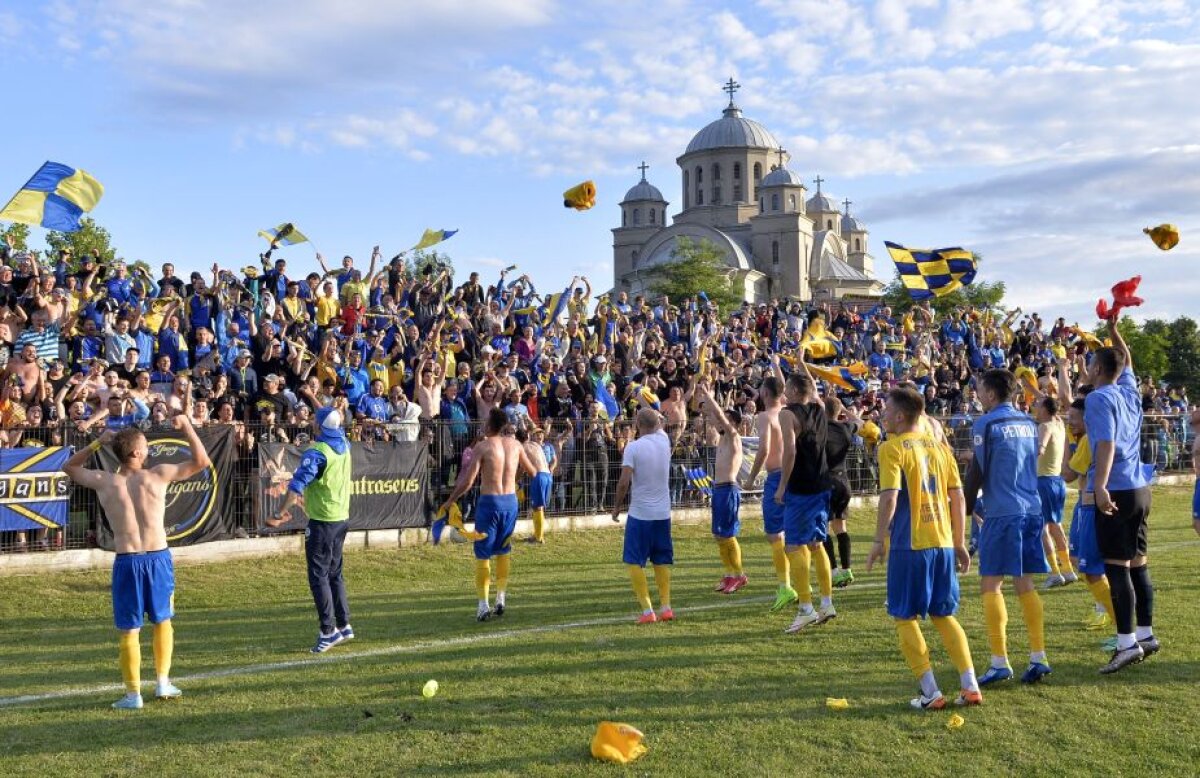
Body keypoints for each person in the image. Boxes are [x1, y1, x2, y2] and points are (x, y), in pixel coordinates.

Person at [63, 415, 210, 709]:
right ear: (137, 453)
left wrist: (97, 442)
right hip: (157, 559)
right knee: (162, 621)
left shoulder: (106, 481)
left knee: (130, 629)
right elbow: (202, 461)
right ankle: (162, 683)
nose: (150, 450)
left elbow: (70, 467)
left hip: (128, 561)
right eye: (146, 446)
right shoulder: (157, 475)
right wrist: (188, 428)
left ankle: (133, 695)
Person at [866, 387, 981, 710]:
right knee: (944, 615)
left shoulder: (892, 448)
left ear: (900, 416)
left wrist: (878, 541)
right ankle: (970, 684)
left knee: (904, 616)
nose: (883, 415)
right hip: (942, 543)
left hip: (909, 543)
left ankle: (931, 692)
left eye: (886, 410)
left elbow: (889, 496)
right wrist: (959, 542)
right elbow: (958, 498)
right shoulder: (942, 449)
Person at [963, 369, 1051, 686]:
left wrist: (964, 510)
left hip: (1002, 512)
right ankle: (1038, 656)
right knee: (1024, 584)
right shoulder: (1029, 423)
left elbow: (975, 473)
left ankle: (999, 661)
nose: (977, 394)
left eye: (979, 389)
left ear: (990, 394)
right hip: (1031, 509)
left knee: (991, 585)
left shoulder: (986, 423)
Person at [1085, 323, 1157, 673]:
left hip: (1117, 488)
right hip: (1140, 488)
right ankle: (1146, 633)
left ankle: (1127, 643)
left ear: (1098, 369)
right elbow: (1125, 358)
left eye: (1089, 363)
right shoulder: (1129, 391)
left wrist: (1099, 487)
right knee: (1139, 564)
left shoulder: (1098, 398)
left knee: (1117, 567)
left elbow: (1106, 444)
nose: (1086, 367)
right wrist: (1113, 329)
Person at [265, 400, 355, 653]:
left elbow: (296, 486)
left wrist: (280, 512)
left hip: (323, 521)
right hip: (341, 518)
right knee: (335, 572)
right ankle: (344, 623)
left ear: (318, 425)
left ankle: (328, 631)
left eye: (316, 419)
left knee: (318, 576)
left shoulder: (317, 452)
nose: (312, 421)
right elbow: (331, 420)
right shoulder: (344, 444)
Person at [438, 408, 536, 621]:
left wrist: (450, 500)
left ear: (490, 424)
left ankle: (483, 605)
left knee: (483, 553)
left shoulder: (482, 446)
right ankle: (501, 597)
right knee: (504, 549)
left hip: (489, 503)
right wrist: (513, 482)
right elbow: (533, 472)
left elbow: (468, 481)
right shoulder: (516, 445)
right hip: (510, 503)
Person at [776, 367, 836, 634]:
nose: (783, 391)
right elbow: (813, 389)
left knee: (793, 546)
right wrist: (802, 365)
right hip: (822, 484)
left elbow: (789, 451)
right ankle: (826, 602)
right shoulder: (820, 410)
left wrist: (781, 486)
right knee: (817, 543)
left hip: (801, 487)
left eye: (786, 387)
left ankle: (805, 608)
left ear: (792, 392)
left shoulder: (787, 414)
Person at [742, 362, 798, 611]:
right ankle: (798, 583)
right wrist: (776, 366)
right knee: (794, 533)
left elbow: (764, 448)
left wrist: (752, 477)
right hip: (794, 474)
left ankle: (786, 586)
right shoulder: (788, 411)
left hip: (776, 476)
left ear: (764, 394)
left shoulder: (765, 417)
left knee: (775, 534)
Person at [611, 408, 674, 624]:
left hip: (641, 514)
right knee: (661, 560)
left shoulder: (633, 447)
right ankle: (666, 607)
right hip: (663, 513)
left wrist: (617, 507)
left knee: (633, 561)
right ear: (658, 424)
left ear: (637, 425)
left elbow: (623, 482)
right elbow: (661, 422)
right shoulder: (664, 440)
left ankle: (648, 611)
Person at [698, 384, 745, 594]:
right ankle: (728, 574)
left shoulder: (734, 436)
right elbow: (711, 414)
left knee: (727, 534)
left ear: (733, 421)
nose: (721, 421)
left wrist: (709, 395)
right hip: (718, 490)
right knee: (719, 536)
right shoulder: (723, 439)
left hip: (728, 489)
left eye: (726, 418)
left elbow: (718, 414)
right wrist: (703, 397)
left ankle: (739, 574)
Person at [1035, 397, 1075, 588]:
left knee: (1043, 529)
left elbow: (1040, 449)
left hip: (1043, 481)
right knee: (1056, 526)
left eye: (1037, 404)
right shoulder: (1059, 424)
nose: (1035, 407)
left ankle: (1054, 572)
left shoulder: (1045, 426)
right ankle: (1067, 570)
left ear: (1044, 409)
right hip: (1057, 481)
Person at [822, 396, 858, 588]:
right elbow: (860, 423)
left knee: (824, 527)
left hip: (826, 481)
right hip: (844, 481)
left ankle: (834, 571)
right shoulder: (846, 428)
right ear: (839, 412)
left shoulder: (820, 429)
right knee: (841, 527)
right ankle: (847, 569)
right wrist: (847, 410)